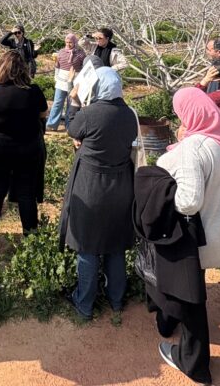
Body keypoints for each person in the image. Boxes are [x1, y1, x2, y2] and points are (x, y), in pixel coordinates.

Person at [153, 88, 220, 383]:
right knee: (185, 285)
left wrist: (164, 194)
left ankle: (194, 362)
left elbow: (189, 201)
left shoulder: (194, 149)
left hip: (197, 237)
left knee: (190, 295)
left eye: (180, 113)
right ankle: (167, 320)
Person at [59, 68, 137, 320]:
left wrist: (73, 101)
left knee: (87, 244)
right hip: (122, 186)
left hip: (92, 186)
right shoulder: (128, 114)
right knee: (115, 244)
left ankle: (84, 303)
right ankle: (116, 299)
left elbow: (72, 129)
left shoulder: (91, 113)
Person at [0, 49, 48, 240]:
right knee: (26, 193)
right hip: (28, 148)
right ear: (23, 69)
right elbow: (44, 113)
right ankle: (31, 239)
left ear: (1, 68)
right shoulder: (34, 91)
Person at [46, 33, 85, 131]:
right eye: (67, 42)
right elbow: (57, 66)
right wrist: (56, 77)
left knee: (71, 104)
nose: (68, 44)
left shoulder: (80, 53)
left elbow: (83, 68)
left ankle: (69, 126)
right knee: (57, 103)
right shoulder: (61, 52)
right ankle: (51, 125)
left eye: (70, 42)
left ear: (75, 42)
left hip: (74, 82)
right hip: (61, 81)